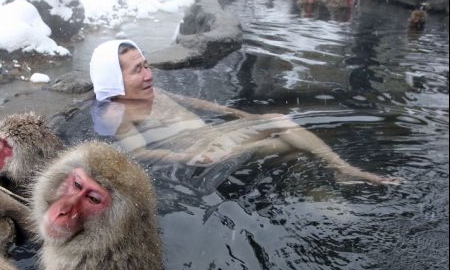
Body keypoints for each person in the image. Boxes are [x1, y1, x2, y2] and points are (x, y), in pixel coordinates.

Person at [88, 39, 398, 185]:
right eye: (137, 70)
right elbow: (139, 154)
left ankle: (336, 172)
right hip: (203, 149)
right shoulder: (117, 114)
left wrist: (240, 114)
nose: (148, 74)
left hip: (215, 134)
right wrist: (191, 159)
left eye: (146, 65)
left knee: (283, 132)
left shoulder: (153, 91)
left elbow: (201, 105)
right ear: (114, 81)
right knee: (284, 137)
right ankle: (343, 170)